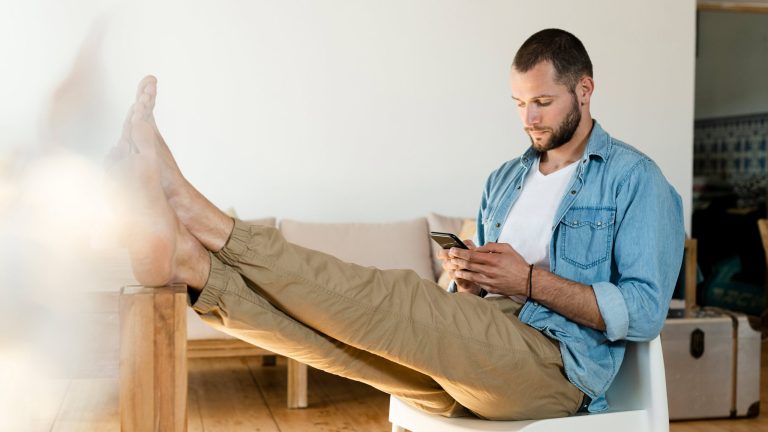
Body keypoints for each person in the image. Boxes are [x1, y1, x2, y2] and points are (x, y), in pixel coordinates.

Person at [107, 28, 684, 421]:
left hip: (554, 369)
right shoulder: (505, 179)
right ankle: (192, 264)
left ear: (585, 90)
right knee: (334, 342)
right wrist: (469, 274)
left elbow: (643, 311)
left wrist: (527, 282)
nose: (528, 119)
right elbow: (479, 291)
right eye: (517, 104)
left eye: (542, 102)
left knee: (397, 299)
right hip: (480, 355)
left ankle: (196, 213)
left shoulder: (637, 181)